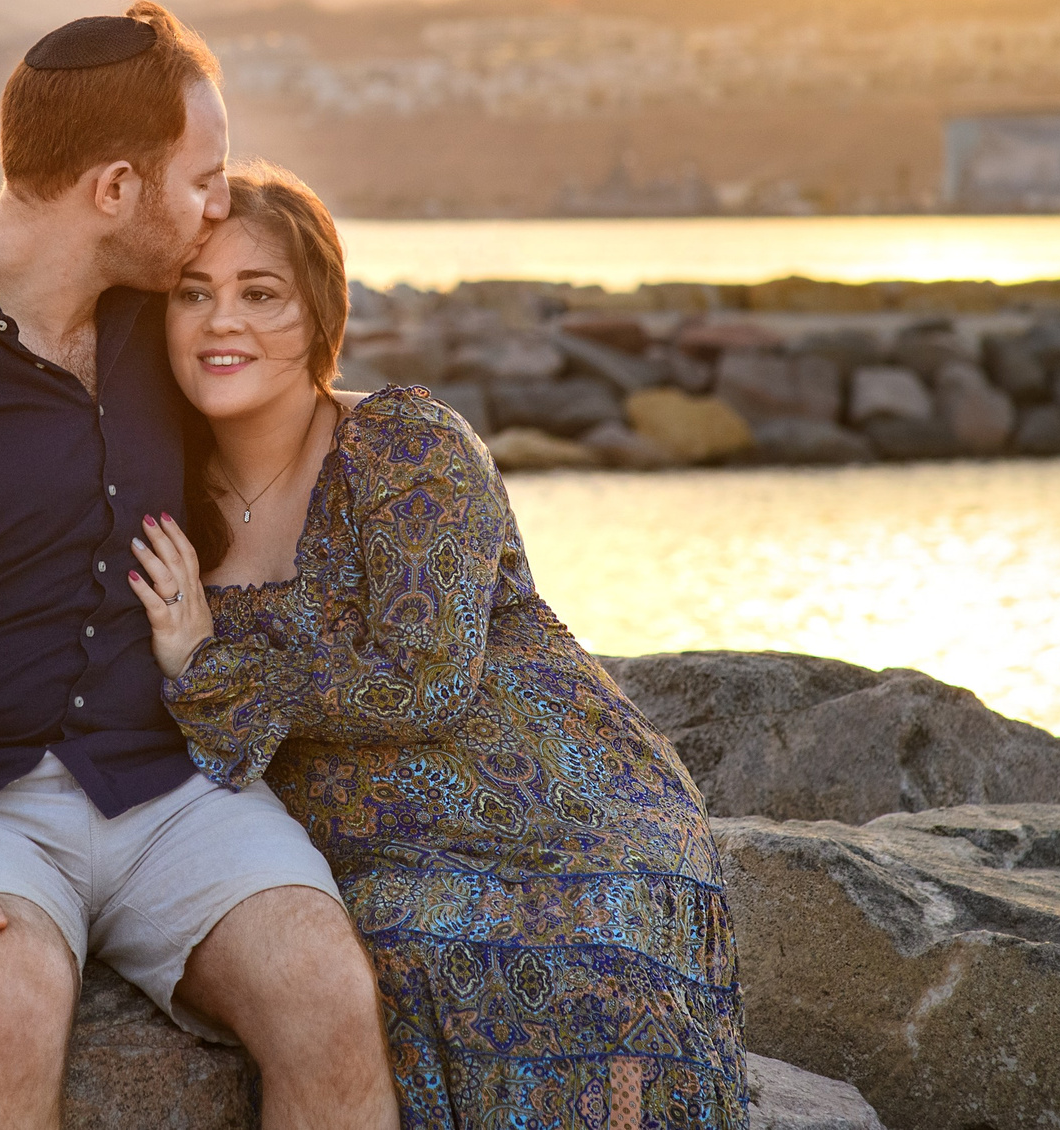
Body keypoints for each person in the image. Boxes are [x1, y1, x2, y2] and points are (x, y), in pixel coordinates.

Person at [0, 5, 400, 1130]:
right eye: (201, 179)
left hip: (172, 792)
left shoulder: (171, 327)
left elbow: (291, 406)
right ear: (114, 189)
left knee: (327, 990)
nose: (218, 204)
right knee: (3, 1008)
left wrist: (421, 460)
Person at [126, 162, 749, 1130]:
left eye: (260, 293)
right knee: (375, 945)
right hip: (373, 856)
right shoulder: (154, 497)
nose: (221, 323)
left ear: (320, 313)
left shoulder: (404, 443)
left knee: (575, 943)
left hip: (566, 816)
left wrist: (211, 671)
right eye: (192, 294)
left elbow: (425, 679)